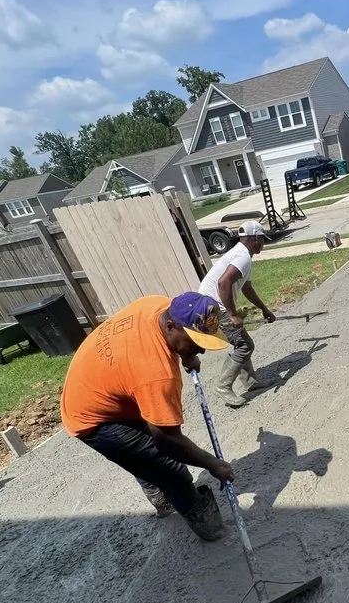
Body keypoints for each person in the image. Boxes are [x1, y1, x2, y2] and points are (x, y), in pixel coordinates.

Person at [60, 292, 234, 542]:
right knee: (172, 470)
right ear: (172, 326)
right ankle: (211, 531)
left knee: (145, 451)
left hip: (101, 384)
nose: (202, 351)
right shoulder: (158, 377)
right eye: (196, 342)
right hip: (93, 418)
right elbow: (167, 440)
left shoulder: (158, 306)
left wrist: (187, 352)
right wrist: (213, 464)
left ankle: (157, 490)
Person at [198, 220, 277, 408]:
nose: (263, 244)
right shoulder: (242, 256)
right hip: (213, 307)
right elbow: (223, 282)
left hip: (212, 304)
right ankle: (223, 386)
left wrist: (264, 308)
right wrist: (232, 314)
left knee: (242, 343)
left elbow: (247, 287)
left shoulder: (242, 255)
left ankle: (250, 383)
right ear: (256, 238)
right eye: (262, 240)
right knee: (244, 345)